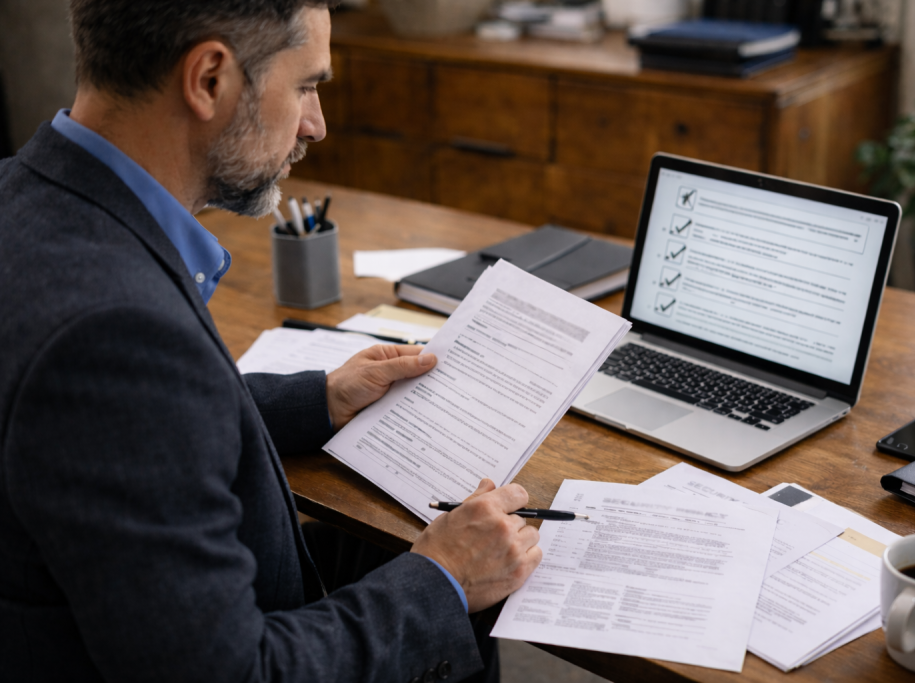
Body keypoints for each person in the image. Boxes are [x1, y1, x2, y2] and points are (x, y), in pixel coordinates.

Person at [0, 1, 542, 681]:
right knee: (455, 594)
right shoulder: (118, 337)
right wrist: (444, 580)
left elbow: (130, 430)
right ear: (209, 80)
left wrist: (321, 399)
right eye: (306, 85)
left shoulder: (22, 195)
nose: (316, 123)